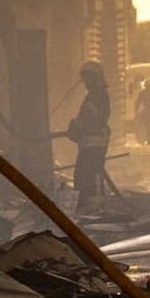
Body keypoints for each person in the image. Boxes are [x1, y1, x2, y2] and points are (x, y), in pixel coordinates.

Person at [58, 61, 113, 214]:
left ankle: (91, 205)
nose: (85, 81)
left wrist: (76, 127)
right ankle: (88, 204)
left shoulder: (97, 95)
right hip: (89, 142)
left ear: (95, 77)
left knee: (86, 174)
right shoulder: (95, 95)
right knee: (86, 173)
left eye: (88, 77)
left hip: (94, 142)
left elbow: (92, 119)